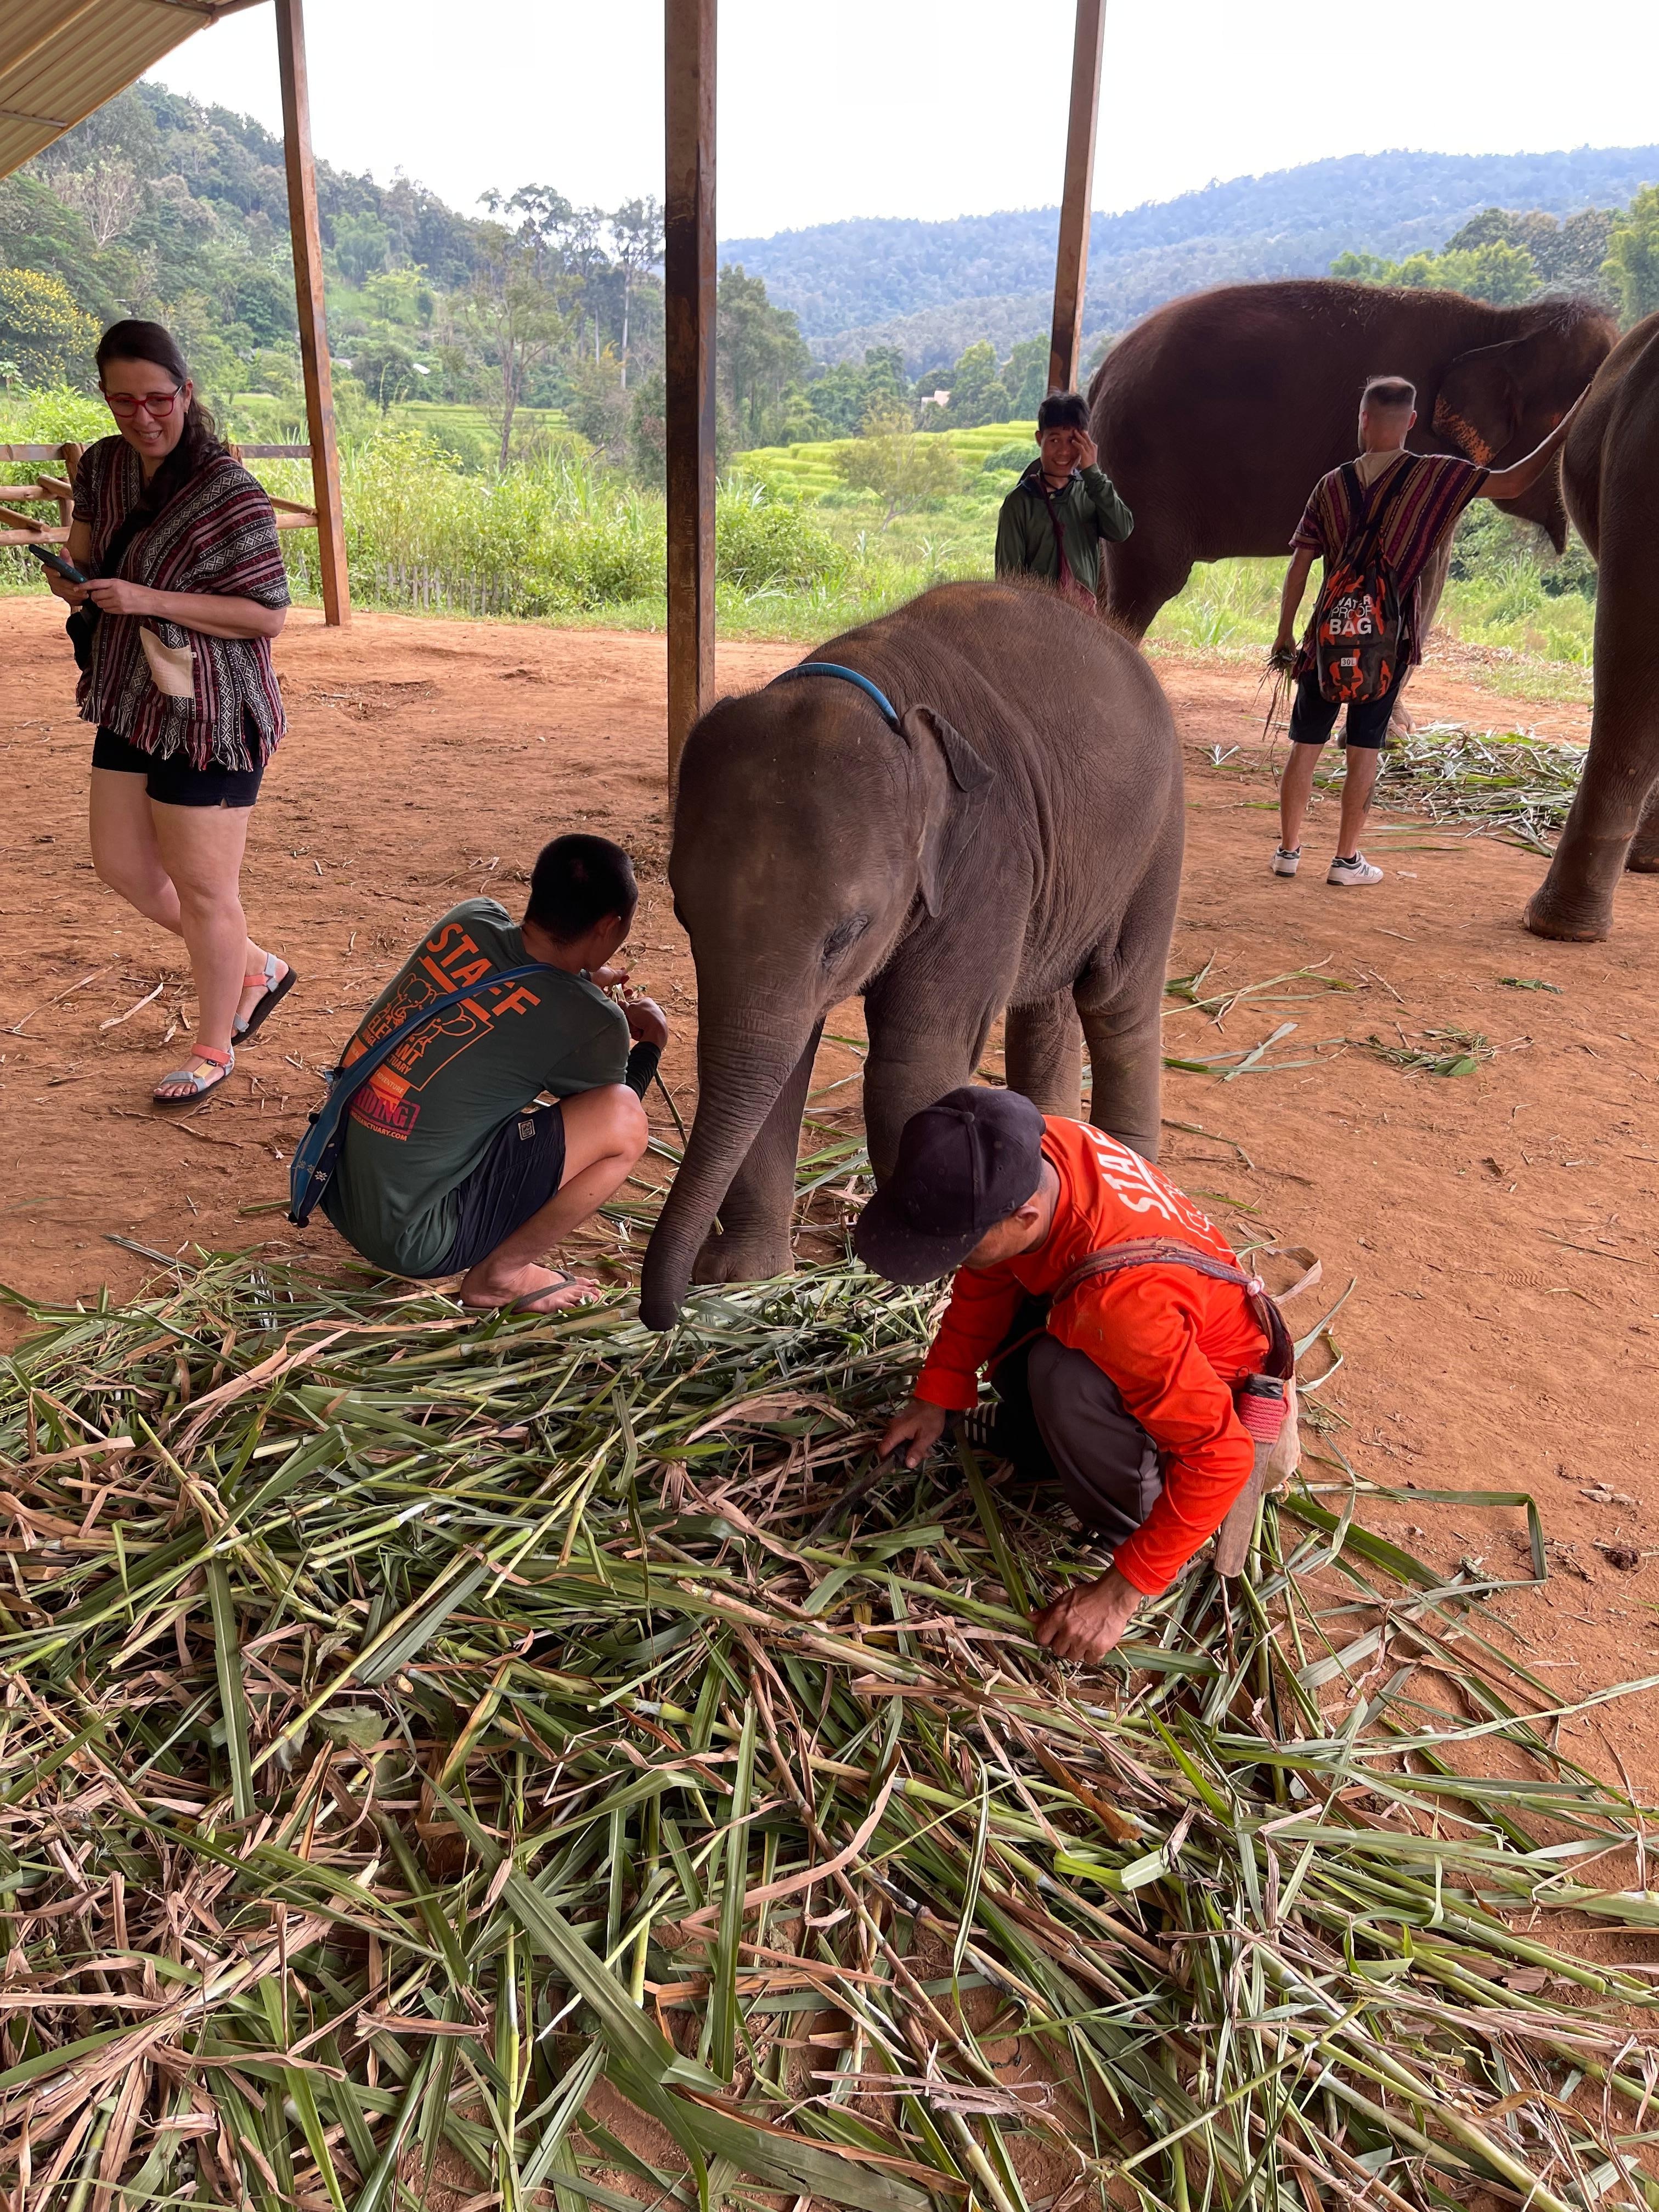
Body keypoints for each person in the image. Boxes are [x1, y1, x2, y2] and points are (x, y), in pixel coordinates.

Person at [857, 1088, 1277, 1666]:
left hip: (1201, 1406)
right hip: (1130, 1335)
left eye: (957, 1246)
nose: (951, 1259)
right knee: (1043, 1330)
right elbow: (991, 1269)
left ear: (1023, 1217)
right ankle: (1040, 1444)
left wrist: (1122, 1592)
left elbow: (1221, 1457)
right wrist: (939, 1390)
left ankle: (1125, 1526)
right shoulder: (1031, 1150)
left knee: (1063, 1372)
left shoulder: (1122, 1310)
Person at [41, 320, 296, 1104]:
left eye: (157, 398)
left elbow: (267, 615)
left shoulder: (228, 489)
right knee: (121, 864)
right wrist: (71, 579)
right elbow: (86, 557)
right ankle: (255, 966)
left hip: (213, 709)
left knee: (205, 888)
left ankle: (214, 1046)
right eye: (123, 401)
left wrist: (147, 597)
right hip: (131, 694)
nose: (142, 416)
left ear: (185, 391)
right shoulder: (105, 465)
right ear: (105, 398)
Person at [321, 833, 668, 1315]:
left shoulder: (469, 919)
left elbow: (506, 978)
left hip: (334, 1182)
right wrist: (651, 1043)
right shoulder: (591, 1022)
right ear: (610, 926)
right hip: (417, 1238)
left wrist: (584, 978)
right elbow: (615, 1106)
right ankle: (502, 1277)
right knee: (625, 1123)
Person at [1271, 371, 1587, 888]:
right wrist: (1568, 426)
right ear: (1412, 421)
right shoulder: (1435, 476)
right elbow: (1512, 482)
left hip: (1327, 638)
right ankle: (1346, 861)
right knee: (1364, 750)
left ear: (1363, 419)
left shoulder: (1330, 486)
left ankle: (1288, 851)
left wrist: (1286, 633)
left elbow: (1300, 564)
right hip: (1387, 644)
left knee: (1305, 746)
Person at [994, 389, 1133, 607]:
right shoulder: (1019, 503)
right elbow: (1007, 580)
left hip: (1081, 618)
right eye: (1055, 440)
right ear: (1039, 439)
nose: (1064, 452)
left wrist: (1093, 474)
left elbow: (1122, 530)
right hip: (1036, 618)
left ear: (1085, 443)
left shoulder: (1092, 493)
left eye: (1072, 441)